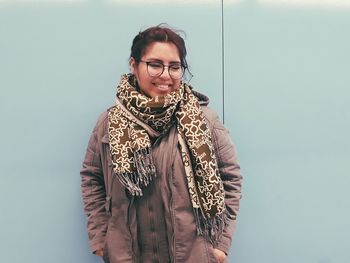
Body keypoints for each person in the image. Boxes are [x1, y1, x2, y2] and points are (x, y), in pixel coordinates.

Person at [80, 24, 242, 263]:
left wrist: (219, 245)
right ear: (134, 65)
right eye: (155, 64)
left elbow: (230, 179)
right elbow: (92, 179)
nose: (166, 75)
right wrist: (102, 240)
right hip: (128, 255)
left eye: (175, 67)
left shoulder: (203, 120)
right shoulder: (109, 123)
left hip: (193, 256)